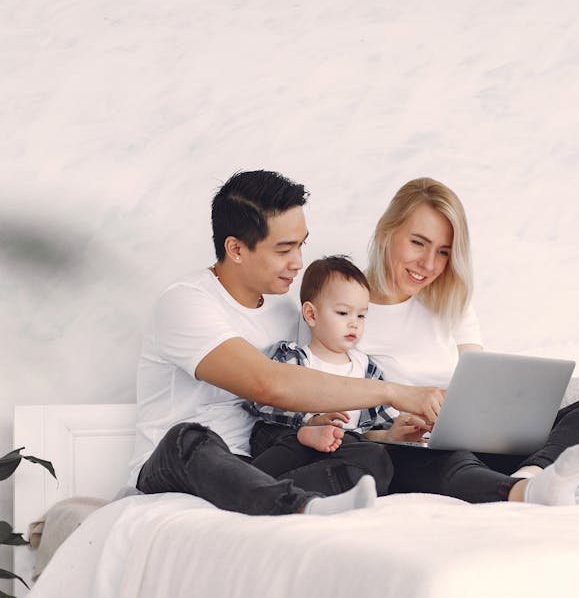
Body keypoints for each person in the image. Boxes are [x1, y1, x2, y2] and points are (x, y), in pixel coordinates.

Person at [128, 170, 445, 516]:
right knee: (190, 437)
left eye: (300, 245)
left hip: (258, 464)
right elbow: (268, 385)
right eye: (284, 249)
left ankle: (286, 501)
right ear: (236, 249)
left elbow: (308, 388)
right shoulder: (185, 302)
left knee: (370, 457)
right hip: (178, 465)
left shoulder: (286, 312)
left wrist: (328, 424)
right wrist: (394, 392)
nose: (298, 263)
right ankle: (298, 503)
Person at [357, 177, 579, 505]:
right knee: (441, 459)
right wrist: (388, 432)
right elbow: (336, 421)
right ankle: (514, 491)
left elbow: (478, 385)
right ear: (386, 231)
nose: (428, 264)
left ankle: (530, 478)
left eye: (443, 252)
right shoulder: (344, 307)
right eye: (418, 243)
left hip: (474, 445)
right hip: (408, 450)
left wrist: (495, 419)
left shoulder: (452, 303)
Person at [245, 255, 429, 494]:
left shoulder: (367, 369)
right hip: (286, 444)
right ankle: (266, 474)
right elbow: (262, 401)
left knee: (371, 453)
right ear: (311, 314)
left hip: (335, 452)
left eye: (361, 315)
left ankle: (290, 490)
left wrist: (391, 434)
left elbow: (369, 431)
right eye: (343, 313)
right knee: (285, 437)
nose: (354, 324)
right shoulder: (295, 358)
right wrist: (309, 422)